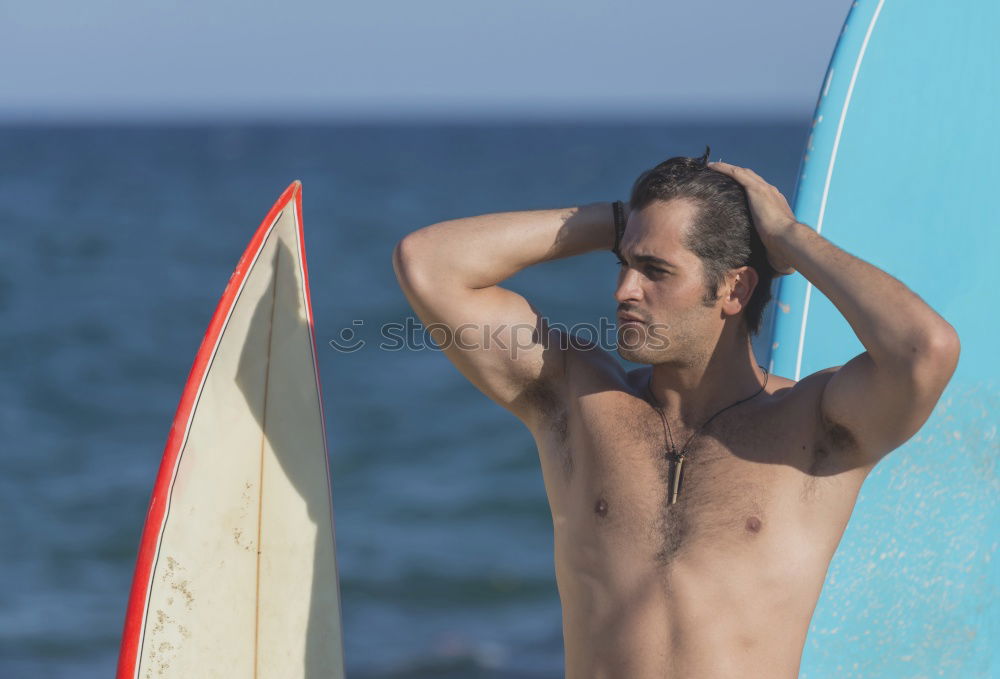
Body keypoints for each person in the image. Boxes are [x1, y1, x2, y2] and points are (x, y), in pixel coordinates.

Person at [391, 149, 960, 678]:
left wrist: (790, 237)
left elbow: (923, 350)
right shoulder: (578, 402)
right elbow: (428, 264)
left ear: (734, 290)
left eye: (655, 271)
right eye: (623, 263)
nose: (623, 290)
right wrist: (622, 221)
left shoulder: (816, 429)